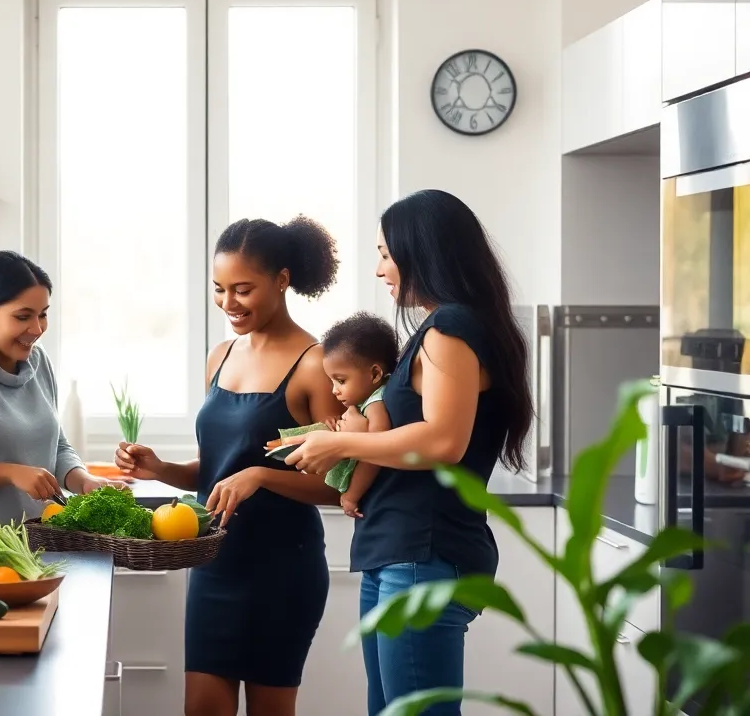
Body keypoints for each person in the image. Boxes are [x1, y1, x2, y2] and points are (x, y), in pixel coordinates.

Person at [279, 189, 533, 716]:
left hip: (424, 552)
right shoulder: (445, 327)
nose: (379, 270)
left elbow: (443, 441)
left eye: (386, 254)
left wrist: (337, 442)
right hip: (402, 551)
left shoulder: (449, 328)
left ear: (424, 252)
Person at [115, 216, 345, 716]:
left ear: (282, 280)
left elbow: (340, 486)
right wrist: (162, 468)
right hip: (215, 564)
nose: (229, 304)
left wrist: (262, 476)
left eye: (244, 289)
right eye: (219, 290)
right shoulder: (220, 356)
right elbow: (221, 470)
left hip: (283, 567)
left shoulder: (315, 364)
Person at [0, 251, 124, 526]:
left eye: (42, 315)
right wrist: (10, 473)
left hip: (40, 537)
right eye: (23, 317)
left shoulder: (37, 359)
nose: (37, 328)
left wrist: (84, 481)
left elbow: (55, 445)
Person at [318, 311, 398, 519]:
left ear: (375, 374)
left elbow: (374, 454)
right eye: (331, 382)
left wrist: (352, 495)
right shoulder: (366, 399)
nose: (334, 390)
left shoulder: (376, 403)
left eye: (341, 381)